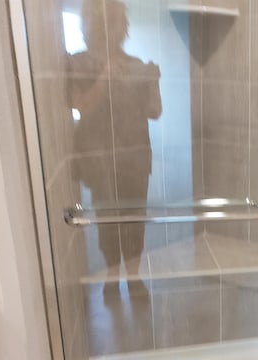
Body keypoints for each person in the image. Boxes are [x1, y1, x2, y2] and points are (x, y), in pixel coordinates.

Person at [68, 0, 161, 296]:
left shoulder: (136, 65)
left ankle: (133, 278)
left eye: (117, 21)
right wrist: (104, 79)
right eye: (106, 21)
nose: (113, 28)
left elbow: (155, 111)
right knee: (107, 221)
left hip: (134, 157)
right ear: (91, 25)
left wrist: (153, 81)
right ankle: (112, 277)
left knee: (134, 220)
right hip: (100, 160)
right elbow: (78, 104)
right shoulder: (79, 62)